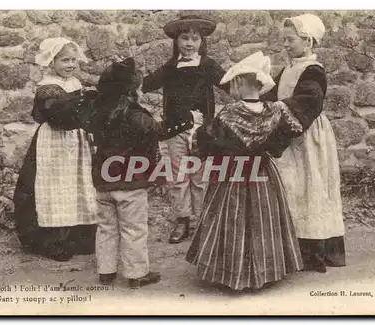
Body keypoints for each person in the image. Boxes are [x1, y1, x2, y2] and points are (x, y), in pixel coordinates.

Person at [185, 51, 304, 291]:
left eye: (232, 84)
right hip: (262, 171)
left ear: (239, 82)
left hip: (232, 173)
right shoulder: (274, 110)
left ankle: (231, 272)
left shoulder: (229, 113)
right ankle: (265, 269)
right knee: (264, 218)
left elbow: (206, 143)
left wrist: (196, 130)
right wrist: (270, 148)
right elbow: (294, 129)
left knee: (231, 218)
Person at [91, 57, 204, 288]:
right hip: (130, 184)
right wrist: (188, 119)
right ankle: (136, 274)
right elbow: (160, 131)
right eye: (140, 88)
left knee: (106, 228)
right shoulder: (136, 116)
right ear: (133, 92)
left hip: (103, 182)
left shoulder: (101, 112)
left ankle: (106, 271)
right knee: (133, 229)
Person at [260, 14, 346, 273]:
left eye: (291, 40)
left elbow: (309, 100)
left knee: (311, 187)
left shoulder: (313, 71)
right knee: (292, 187)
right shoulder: (288, 69)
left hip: (308, 135)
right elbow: (274, 95)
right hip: (291, 132)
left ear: (307, 41)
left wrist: (279, 109)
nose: (286, 45)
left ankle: (314, 252)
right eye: (284, 40)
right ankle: (294, 248)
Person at [142, 15, 229, 244]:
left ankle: (200, 221)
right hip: (175, 129)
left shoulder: (208, 65)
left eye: (194, 39)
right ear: (176, 40)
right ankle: (182, 219)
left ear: (202, 41)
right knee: (179, 174)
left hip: (201, 130)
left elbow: (229, 83)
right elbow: (147, 83)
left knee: (200, 176)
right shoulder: (171, 67)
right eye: (184, 38)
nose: (189, 43)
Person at [13, 37, 99, 262]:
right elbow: (59, 117)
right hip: (55, 142)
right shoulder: (48, 88)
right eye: (64, 60)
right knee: (55, 185)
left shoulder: (75, 83)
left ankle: (79, 238)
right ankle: (54, 241)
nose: (70, 65)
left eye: (73, 60)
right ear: (52, 62)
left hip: (76, 141)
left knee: (78, 182)